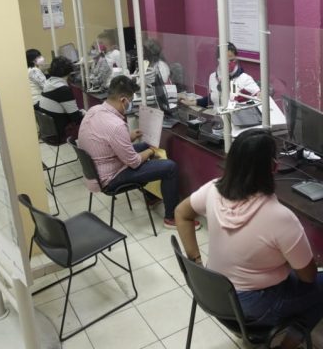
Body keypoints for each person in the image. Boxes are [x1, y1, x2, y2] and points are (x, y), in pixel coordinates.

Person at [175, 129, 323, 335]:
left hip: (213, 293)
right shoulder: (280, 217)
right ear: (273, 167)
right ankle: (290, 343)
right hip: (251, 308)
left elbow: (181, 213)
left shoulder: (212, 189)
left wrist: (196, 261)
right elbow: (308, 277)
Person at [77, 75, 197, 230]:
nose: (130, 104)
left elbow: (105, 140)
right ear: (123, 100)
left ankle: (151, 196)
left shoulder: (94, 110)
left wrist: (130, 138)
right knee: (170, 167)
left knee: (143, 146)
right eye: (131, 100)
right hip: (109, 178)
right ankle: (171, 218)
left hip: (96, 170)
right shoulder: (116, 126)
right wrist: (151, 151)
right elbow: (133, 162)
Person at [181, 42, 260, 108]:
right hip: (217, 119)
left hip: (237, 120)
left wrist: (259, 95)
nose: (229, 63)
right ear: (218, 60)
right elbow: (213, 98)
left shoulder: (245, 78)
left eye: (232, 60)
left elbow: (258, 96)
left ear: (236, 59)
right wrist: (194, 102)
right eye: (225, 60)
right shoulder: (213, 77)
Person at [38, 56, 84, 142]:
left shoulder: (48, 83)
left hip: (48, 132)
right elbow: (76, 117)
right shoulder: (63, 89)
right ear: (69, 71)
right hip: (60, 133)